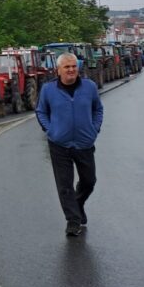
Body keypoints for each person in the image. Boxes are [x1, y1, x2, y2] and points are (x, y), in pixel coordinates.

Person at [34, 52, 104, 237]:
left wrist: (94, 129)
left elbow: (98, 109)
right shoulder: (48, 90)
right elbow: (41, 111)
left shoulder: (89, 87)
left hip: (84, 143)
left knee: (89, 181)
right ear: (58, 70)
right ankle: (73, 221)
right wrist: (51, 130)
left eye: (74, 66)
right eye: (67, 67)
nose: (71, 70)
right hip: (59, 144)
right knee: (65, 185)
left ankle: (78, 204)